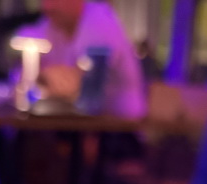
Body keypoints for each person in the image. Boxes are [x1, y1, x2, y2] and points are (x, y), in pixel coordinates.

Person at [19, 0, 147, 120]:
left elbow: (85, 83)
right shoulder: (54, 22)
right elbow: (23, 55)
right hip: (76, 121)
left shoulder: (99, 21)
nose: (47, 7)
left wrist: (47, 77)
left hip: (120, 127)